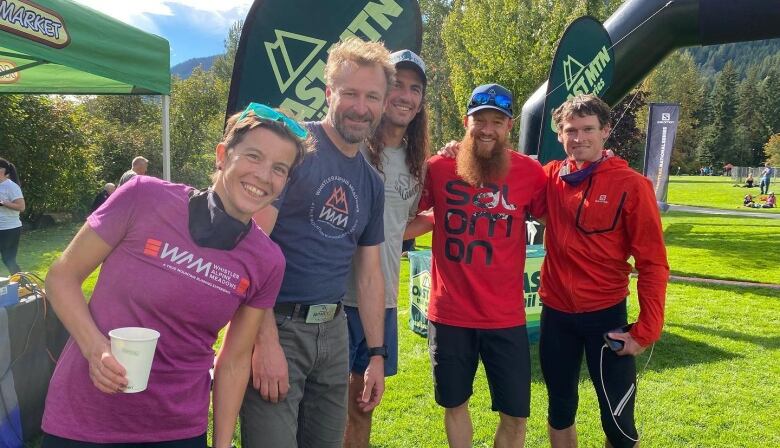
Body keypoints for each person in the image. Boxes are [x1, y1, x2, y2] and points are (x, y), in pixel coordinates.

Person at [40, 104, 309, 448]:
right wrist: (96, 350)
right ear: (223, 155)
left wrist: (222, 444)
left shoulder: (267, 261)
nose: (263, 175)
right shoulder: (143, 196)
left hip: (177, 431)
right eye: (254, 156)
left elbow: (234, 361)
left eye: (279, 168)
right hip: (84, 419)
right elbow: (61, 277)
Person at [241, 38, 389, 448]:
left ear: (383, 102)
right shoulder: (293, 149)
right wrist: (263, 339)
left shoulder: (372, 183)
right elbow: (252, 246)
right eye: (350, 93)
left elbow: (371, 275)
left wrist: (376, 354)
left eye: (372, 96)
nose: (361, 107)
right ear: (328, 93)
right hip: (278, 325)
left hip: (334, 330)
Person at [405, 83, 546, 448]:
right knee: (455, 404)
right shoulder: (437, 168)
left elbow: (562, 207)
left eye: (496, 121)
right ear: (466, 122)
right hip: (450, 314)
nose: (486, 129)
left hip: (506, 317)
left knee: (516, 415)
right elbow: (407, 213)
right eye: (479, 120)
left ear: (509, 126)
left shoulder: (530, 173)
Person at [535, 94, 669, 448]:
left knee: (617, 420)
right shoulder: (550, 177)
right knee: (560, 408)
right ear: (560, 134)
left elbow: (653, 264)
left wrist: (645, 330)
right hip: (556, 316)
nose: (578, 138)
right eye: (570, 130)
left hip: (606, 317)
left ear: (606, 131)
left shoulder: (632, 185)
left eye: (588, 129)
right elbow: (504, 167)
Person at [343, 49, 429, 448]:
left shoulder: (416, 162)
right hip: (336, 298)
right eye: (396, 84)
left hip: (383, 300)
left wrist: (433, 221)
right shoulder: (351, 147)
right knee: (325, 406)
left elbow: (396, 227)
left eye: (415, 88)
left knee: (363, 407)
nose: (405, 95)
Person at [0, 158, 25, 275]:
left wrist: (3, 202)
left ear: (2, 170)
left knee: (8, 259)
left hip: (9, 229)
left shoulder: (11, 186)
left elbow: (21, 207)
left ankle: (22, 284)